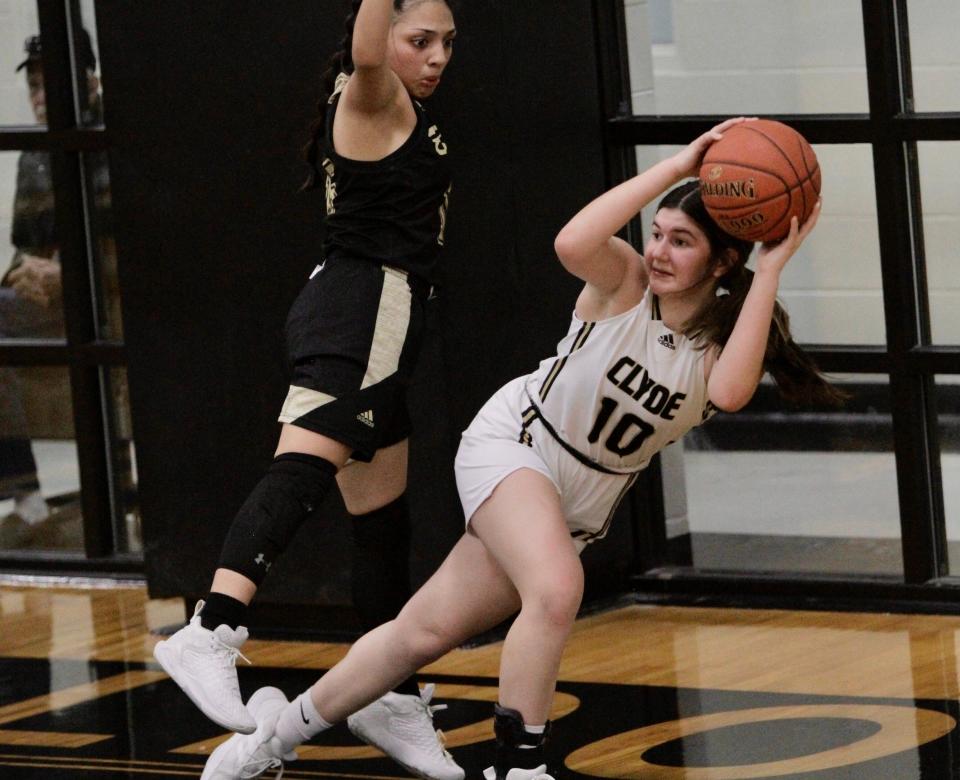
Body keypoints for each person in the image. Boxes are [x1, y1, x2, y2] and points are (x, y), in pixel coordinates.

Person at [197, 116, 843, 780]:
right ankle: (521, 767)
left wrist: (771, 269)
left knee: (421, 633)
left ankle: (271, 738)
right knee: (559, 586)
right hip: (516, 444)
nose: (657, 251)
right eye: (656, 233)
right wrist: (678, 168)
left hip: (578, 501)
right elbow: (572, 241)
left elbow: (733, 393)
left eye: (680, 242)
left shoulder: (722, 343)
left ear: (723, 261)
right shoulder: (623, 286)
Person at [152, 2, 462, 778]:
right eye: (419, 39)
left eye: (447, 43)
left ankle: (389, 693)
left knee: (382, 519)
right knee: (303, 468)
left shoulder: (401, 107)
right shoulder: (373, 93)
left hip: (384, 317)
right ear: (383, 37)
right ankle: (211, 628)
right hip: (363, 310)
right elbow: (365, 52)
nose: (437, 56)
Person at [0, 30, 106, 549]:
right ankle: (24, 491)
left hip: (100, 297)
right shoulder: (34, 152)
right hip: (47, 297)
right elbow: (25, 245)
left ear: (89, 80)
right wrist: (23, 273)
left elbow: (114, 244)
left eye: (51, 84)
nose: (40, 97)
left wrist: (62, 273)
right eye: (35, 85)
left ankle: (25, 494)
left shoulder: (102, 139)